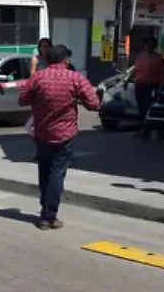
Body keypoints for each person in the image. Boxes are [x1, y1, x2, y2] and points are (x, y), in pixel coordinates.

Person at [17, 44, 101, 230]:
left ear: (47, 60)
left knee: (44, 172)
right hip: (64, 135)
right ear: (66, 60)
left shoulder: (38, 77)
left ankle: (44, 211)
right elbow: (94, 104)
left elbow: (22, 99)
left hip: (42, 134)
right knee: (57, 174)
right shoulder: (75, 78)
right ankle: (49, 216)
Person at [130, 37, 164, 138]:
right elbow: (135, 70)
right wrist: (127, 81)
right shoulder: (140, 56)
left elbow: (163, 74)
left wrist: (160, 87)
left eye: (151, 45)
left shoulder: (158, 58)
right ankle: (143, 129)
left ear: (154, 46)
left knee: (149, 108)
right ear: (145, 46)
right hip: (139, 85)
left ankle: (151, 130)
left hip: (151, 86)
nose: (149, 47)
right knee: (141, 108)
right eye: (147, 45)